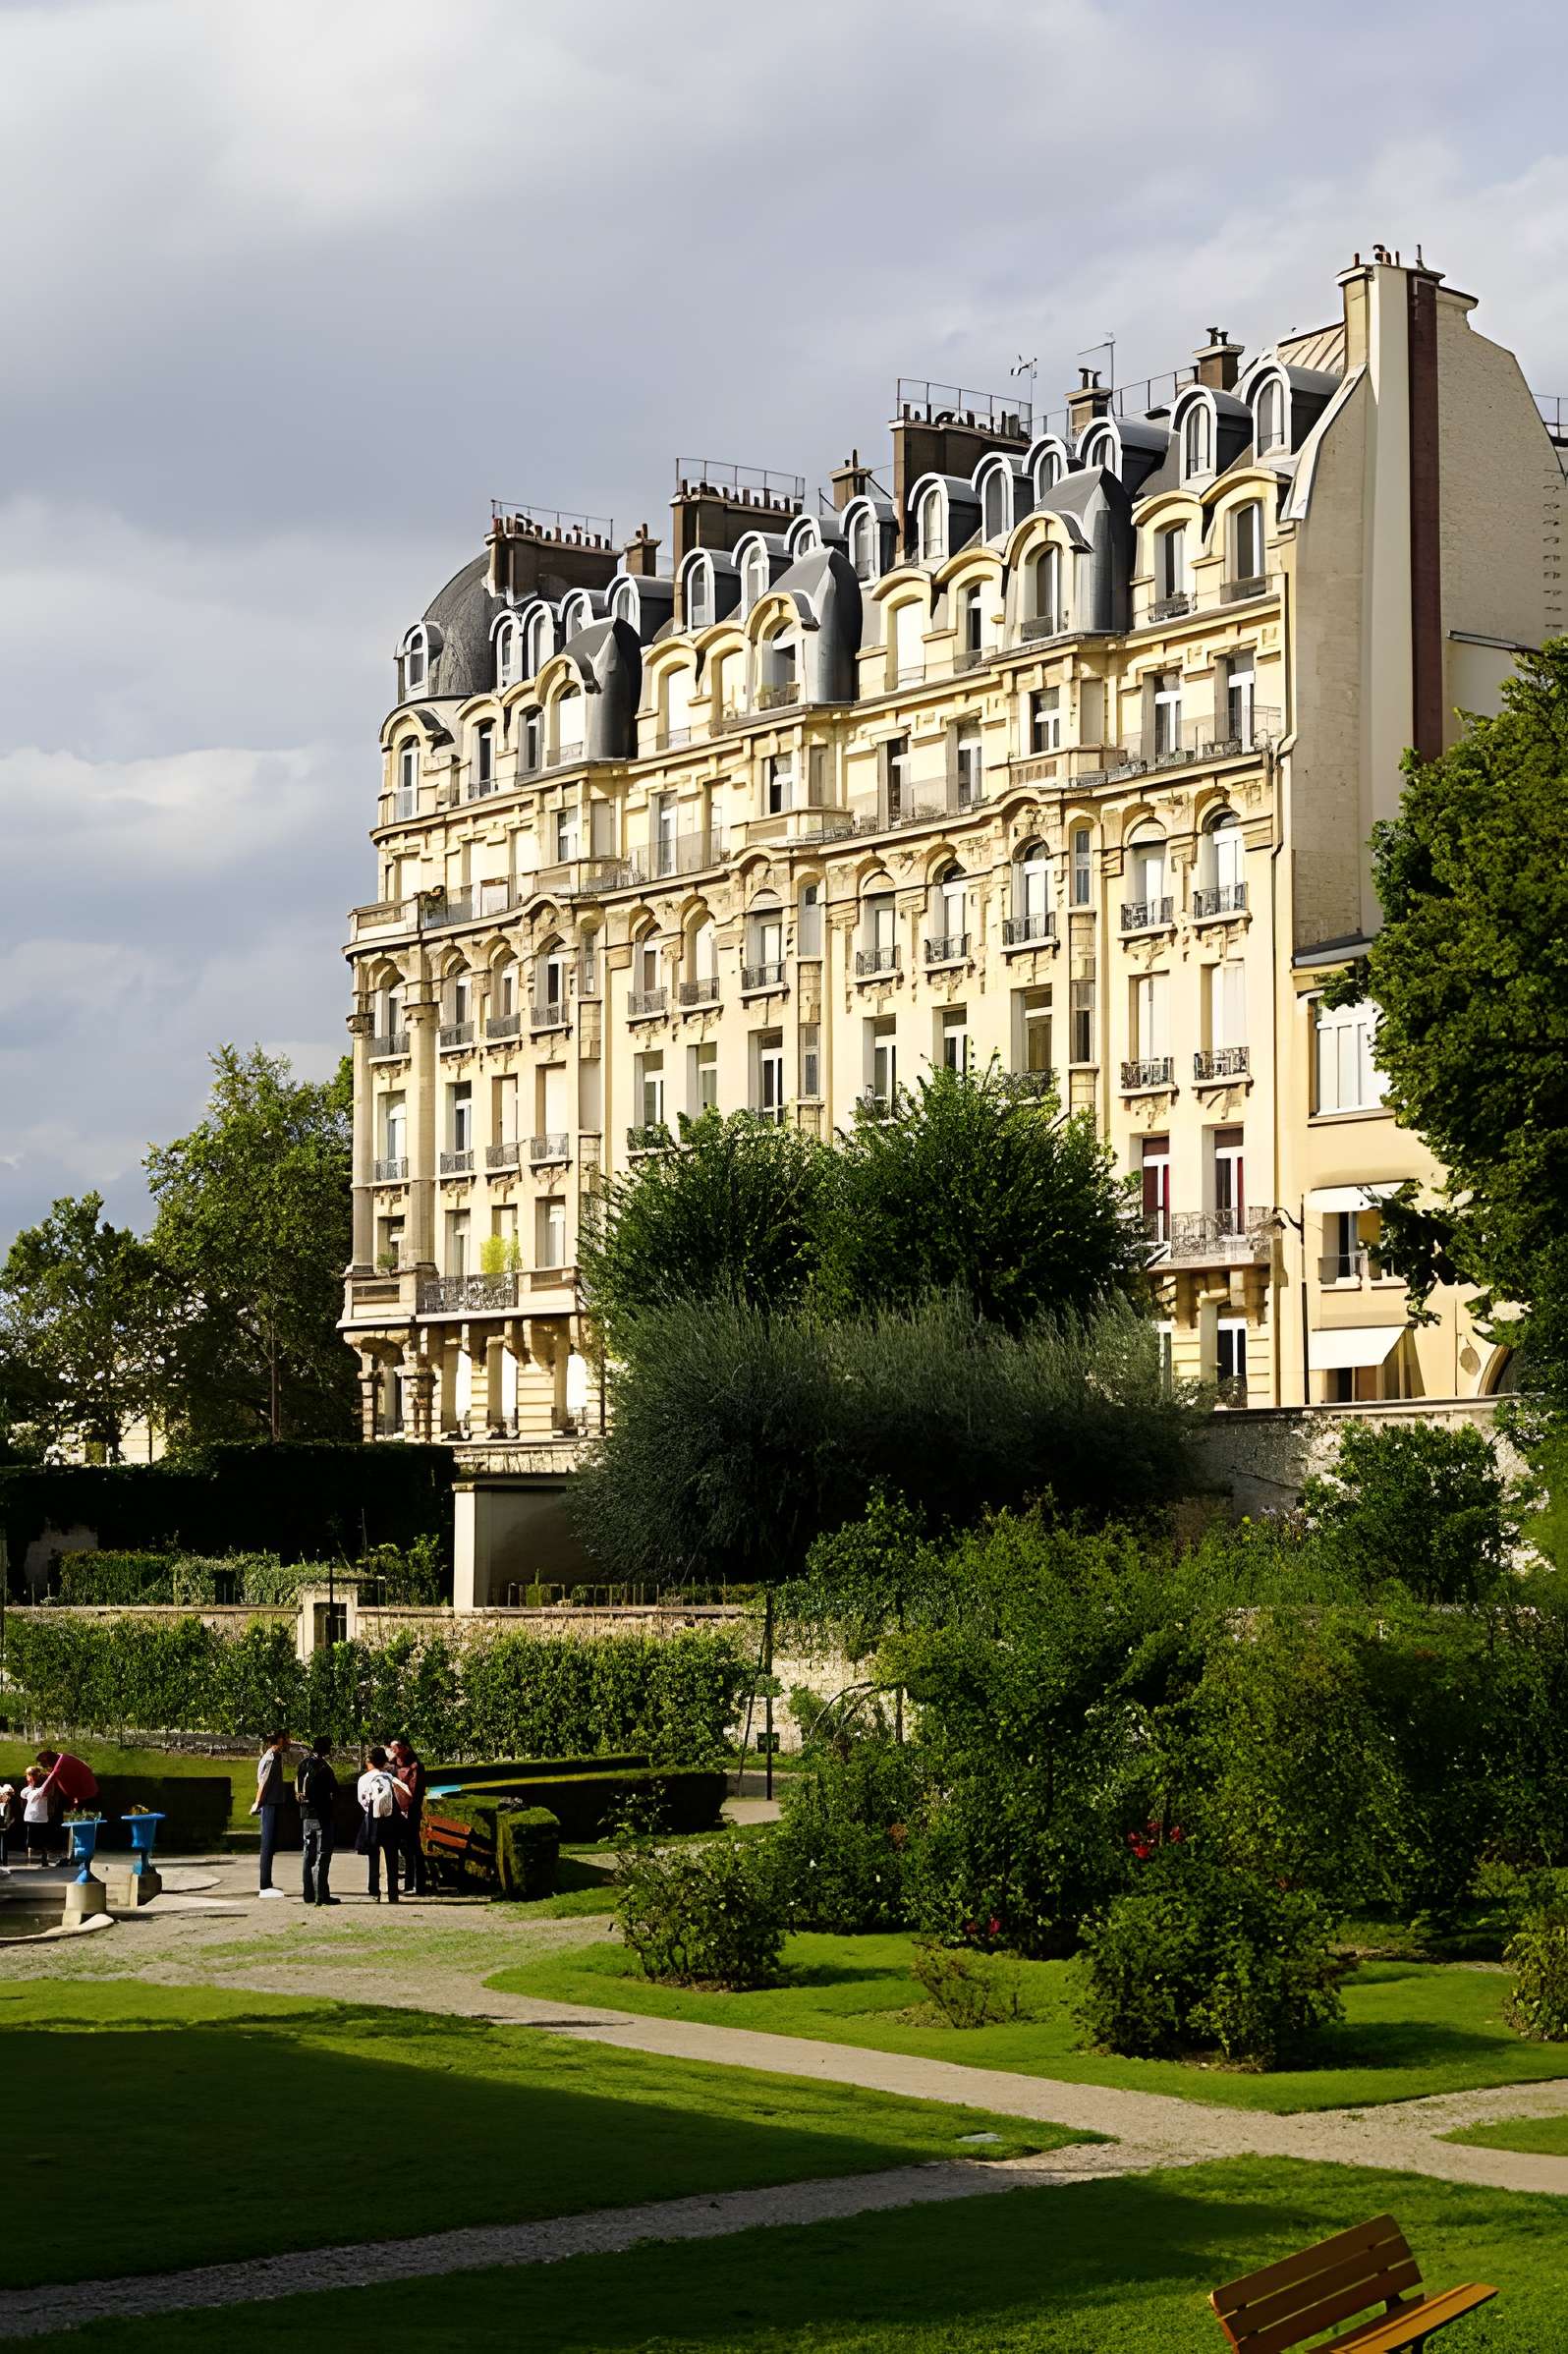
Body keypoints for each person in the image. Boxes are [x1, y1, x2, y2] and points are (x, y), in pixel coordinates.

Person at [357, 1746, 407, 1903]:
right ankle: (392, 1892)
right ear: (384, 1761)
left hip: (372, 1820)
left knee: (373, 1855)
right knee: (391, 1856)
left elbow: (361, 1800)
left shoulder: (364, 1779)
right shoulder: (389, 1777)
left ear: (370, 1761)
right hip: (390, 1821)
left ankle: (374, 1890)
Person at [296, 1736, 340, 1908]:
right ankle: (320, 1894)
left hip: (306, 1815)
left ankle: (308, 1893)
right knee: (323, 1855)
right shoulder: (324, 1767)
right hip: (322, 1816)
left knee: (308, 1854)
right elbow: (334, 1789)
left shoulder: (303, 1764)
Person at [252, 1731, 292, 1899]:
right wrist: (257, 1802)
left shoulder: (275, 1756)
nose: (290, 1742)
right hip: (269, 1804)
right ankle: (264, 1884)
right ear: (280, 1740)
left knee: (270, 1844)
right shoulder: (272, 1758)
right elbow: (264, 1781)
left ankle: (266, 1882)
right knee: (267, 1844)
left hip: (272, 1802)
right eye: (287, 1738)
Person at [389, 1736, 426, 1898]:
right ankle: (409, 1884)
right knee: (405, 1848)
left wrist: (405, 1807)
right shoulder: (393, 1765)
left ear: (405, 1748)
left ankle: (418, 1885)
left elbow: (414, 1791)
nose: (393, 1751)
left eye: (395, 1748)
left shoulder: (414, 1766)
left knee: (413, 1847)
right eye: (392, 1748)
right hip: (398, 1813)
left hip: (410, 1812)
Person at [33, 1748, 99, 1814]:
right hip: (89, 1787)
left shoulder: (59, 1767)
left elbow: (47, 1785)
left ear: (50, 1761)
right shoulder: (62, 1756)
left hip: (85, 1794)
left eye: (45, 1763)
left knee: (80, 1815)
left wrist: (37, 1796)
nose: (46, 1766)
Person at [21, 1766, 57, 1868]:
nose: (29, 1777)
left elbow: (46, 1792)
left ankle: (42, 1858)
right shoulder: (28, 1790)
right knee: (32, 1841)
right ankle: (33, 1858)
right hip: (32, 1817)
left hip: (40, 1817)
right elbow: (24, 1795)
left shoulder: (44, 1788)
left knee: (42, 1840)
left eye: (30, 1775)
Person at [0, 1781, 16, 1872]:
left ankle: (4, 1860)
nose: (7, 1797)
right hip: (3, 1822)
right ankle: (2, 1860)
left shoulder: (8, 1805)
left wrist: (8, 1823)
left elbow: (9, 1817)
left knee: (4, 1842)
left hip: (5, 1824)